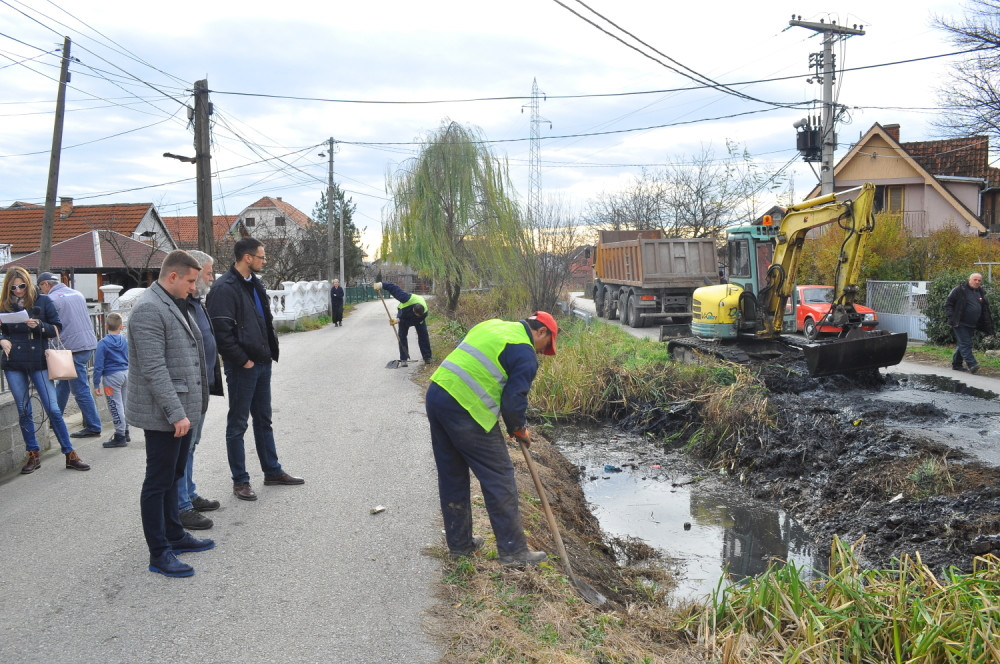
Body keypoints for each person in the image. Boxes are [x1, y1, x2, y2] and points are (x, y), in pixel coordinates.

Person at [425, 311, 558, 566]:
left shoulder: (491, 325)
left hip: (437, 395)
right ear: (540, 332)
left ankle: (460, 546)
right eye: (546, 345)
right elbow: (512, 402)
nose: (543, 352)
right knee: (499, 476)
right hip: (466, 409)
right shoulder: (525, 352)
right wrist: (518, 429)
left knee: (452, 474)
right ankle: (513, 552)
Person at [128, 250, 215, 578]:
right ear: (173, 276)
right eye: (191, 280)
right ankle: (159, 551)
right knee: (158, 481)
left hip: (182, 411)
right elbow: (154, 369)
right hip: (164, 413)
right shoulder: (149, 308)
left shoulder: (172, 302)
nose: (194, 287)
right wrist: (177, 414)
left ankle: (175, 535)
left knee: (173, 476)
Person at [207, 237, 304, 502]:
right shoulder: (224, 288)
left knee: (264, 420)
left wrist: (267, 354)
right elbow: (221, 333)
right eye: (261, 257)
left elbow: (263, 321)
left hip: (262, 363)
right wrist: (243, 360)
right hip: (243, 367)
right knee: (238, 424)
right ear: (247, 258)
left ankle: (272, 471)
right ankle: (240, 481)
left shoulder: (255, 284)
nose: (265, 261)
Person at [0, 266, 91, 473]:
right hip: (13, 361)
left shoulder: (43, 300)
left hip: (38, 359)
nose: (18, 290)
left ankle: (70, 453)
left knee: (53, 408)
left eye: (21, 286)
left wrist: (38, 325)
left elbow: (57, 328)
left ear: (28, 284)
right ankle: (33, 454)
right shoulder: (4, 304)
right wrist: (2, 340)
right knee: (24, 410)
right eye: (13, 287)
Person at [176, 250, 223, 530]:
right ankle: (181, 505)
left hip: (201, 385)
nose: (210, 278)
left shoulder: (196, 301)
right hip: (188, 390)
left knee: (192, 445)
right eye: (207, 273)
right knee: (184, 448)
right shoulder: (180, 303)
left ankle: (189, 494)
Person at [37, 272, 103, 438]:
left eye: (40, 287)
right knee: (64, 384)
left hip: (71, 348)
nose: (41, 291)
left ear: (45, 284)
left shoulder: (52, 299)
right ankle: (55, 419)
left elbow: (52, 325)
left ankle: (93, 426)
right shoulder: (76, 293)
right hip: (86, 344)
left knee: (80, 390)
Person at [945, 272, 995, 374]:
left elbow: (984, 309)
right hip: (959, 323)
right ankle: (972, 364)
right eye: (975, 280)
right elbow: (948, 304)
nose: (977, 282)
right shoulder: (960, 290)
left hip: (972, 324)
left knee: (962, 344)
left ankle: (957, 364)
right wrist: (951, 316)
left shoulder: (980, 292)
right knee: (965, 343)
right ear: (969, 280)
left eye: (979, 280)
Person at [373, 281, 431, 366]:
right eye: (416, 314)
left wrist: (398, 321)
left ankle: (427, 357)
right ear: (413, 310)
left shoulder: (424, 313)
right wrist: (381, 285)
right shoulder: (405, 298)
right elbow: (394, 288)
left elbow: (412, 322)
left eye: (418, 315)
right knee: (402, 336)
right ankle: (404, 359)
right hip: (404, 314)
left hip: (418, 321)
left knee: (423, 335)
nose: (416, 315)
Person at [93, 312, 129, 448]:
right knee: (124, 404)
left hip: (111, 377)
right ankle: (126, 431)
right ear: (121, 326)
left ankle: (120, 435)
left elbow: (98, 365)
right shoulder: (125, 340)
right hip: (125, 373)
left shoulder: (103, 343)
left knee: (114, 405)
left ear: (106, 325)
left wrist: (96, 383)